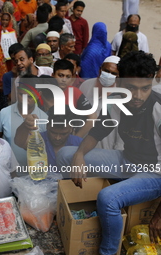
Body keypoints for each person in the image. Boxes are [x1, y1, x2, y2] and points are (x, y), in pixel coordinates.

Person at [56, 50, 161, 255]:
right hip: (127, 160)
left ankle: (109, 252)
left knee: (108, 198)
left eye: (145, 88)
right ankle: (75, 206)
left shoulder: (158, 108)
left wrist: (160, 214)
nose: (138, 96)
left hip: (155, 173)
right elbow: (96, 133)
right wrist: (79, 156)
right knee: (65, 155)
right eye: (131, 88)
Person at [0, 81, 49, 172]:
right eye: (22, 95)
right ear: (17, 92)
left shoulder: (44, 118)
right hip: (8, 172)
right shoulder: (4, 113)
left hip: (35, 174)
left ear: (38, 95)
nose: (25, 100)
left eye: (29, 97)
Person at [15, 105, 82, 167]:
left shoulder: (80, 144)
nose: (57, 138)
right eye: (53, 132)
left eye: (63, 134)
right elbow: (20, 142)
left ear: (71, 129)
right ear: (47, 126)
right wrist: (25, 125)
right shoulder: (38, 140)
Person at [79, 56, 123, 150]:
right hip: (82, 143)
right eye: (106, 71)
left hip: (107, 148)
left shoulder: (120, 95)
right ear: (100, 70)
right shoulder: (86, 85)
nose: (109, 75)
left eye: (114, 73)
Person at [52, 59, 96, 138]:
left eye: (68, 76)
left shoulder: (75, 92)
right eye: (60, 75)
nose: (64, 80)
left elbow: (93, 117)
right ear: (52, 75)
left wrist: (76, 138)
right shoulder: (44, 91)